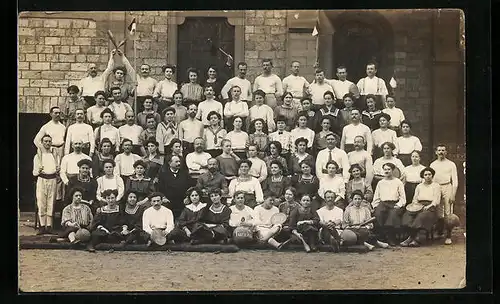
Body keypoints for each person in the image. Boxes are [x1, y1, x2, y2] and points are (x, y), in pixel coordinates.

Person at [400, 167, 441, 247]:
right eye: (425, 175)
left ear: (432, 175)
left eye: (429, 174)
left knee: (421, 216)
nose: (428, 176)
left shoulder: (436, 186)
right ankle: (413, 237)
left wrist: (429, 206)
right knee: (407, 215)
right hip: (419, 206)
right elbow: (415, 199)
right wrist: (415, 206)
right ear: (423, 176)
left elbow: (436, 201)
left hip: (431, 208)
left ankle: (413, 239)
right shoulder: (419, 186)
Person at [430, 144, 459, 245]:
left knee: (448, 212)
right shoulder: (433, 164)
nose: (441, 152)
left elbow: (455, 181)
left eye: (443, 150)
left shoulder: (451, 164)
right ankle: (439, 232)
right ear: (436, 152)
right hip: (437, 187)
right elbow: (431, 179)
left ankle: (448, 236)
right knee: (438, 211)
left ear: (446, 152)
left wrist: (453, 194)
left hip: (447, 186)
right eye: (439, 150)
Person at [372, 163, 406, 246]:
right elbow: (376, 196)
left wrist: (399, 205)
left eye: (389, 169)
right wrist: (375, 206)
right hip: (383, 203)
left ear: (393, 170)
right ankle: (382, 236)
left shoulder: (398, 182)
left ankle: (390, 237)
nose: (387, 171)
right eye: (385, 169)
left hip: (394, 203)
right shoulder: (380, 183)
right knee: (378, 213)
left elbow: (402, 197)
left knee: (392, 215)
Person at [33, 134, 60, 235]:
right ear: (42, 143)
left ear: (51, 142)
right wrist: (38, 170)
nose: (47, 143)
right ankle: (42, 226)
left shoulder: (54, 155)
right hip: (42, 180)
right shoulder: (38, 156)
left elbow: (57, 168)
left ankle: (49, 226)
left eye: (49, 141)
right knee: (41, 202)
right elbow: (34, 172)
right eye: (45, 141)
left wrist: (58, 169)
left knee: (51, 202)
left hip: (52, 180)